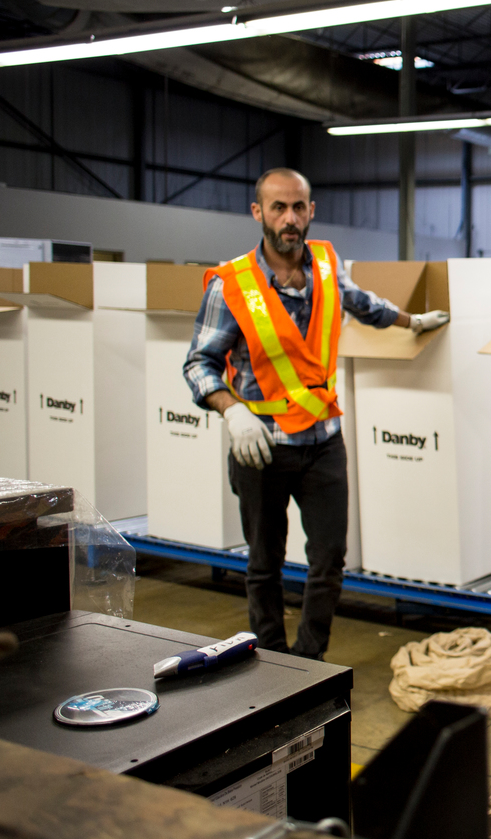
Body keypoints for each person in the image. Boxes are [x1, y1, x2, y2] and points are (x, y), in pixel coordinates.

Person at [184, 168, 448, 660]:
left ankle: (308, 661)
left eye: (298, 207)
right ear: (258, 212)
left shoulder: (327, 263)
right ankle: (269, 661)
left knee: (328, 560)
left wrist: (412, 321)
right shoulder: (232, 284)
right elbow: (198, 363)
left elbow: (361, 303)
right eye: (279, 207)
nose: (290, 218)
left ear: (311, 210)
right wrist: (231, 411)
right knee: (264, 563)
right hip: (260, 444)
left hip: (323, 441)